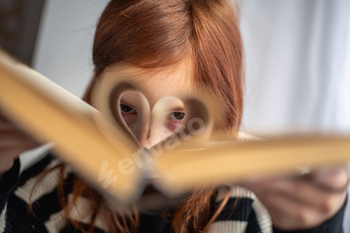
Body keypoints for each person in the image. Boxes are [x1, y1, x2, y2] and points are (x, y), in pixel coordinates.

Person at [0, 0, 348, 232]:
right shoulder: (46, 187)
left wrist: (321, 225)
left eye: (178, 115)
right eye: (126, 108)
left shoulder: (249, 206)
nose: (145, 142)